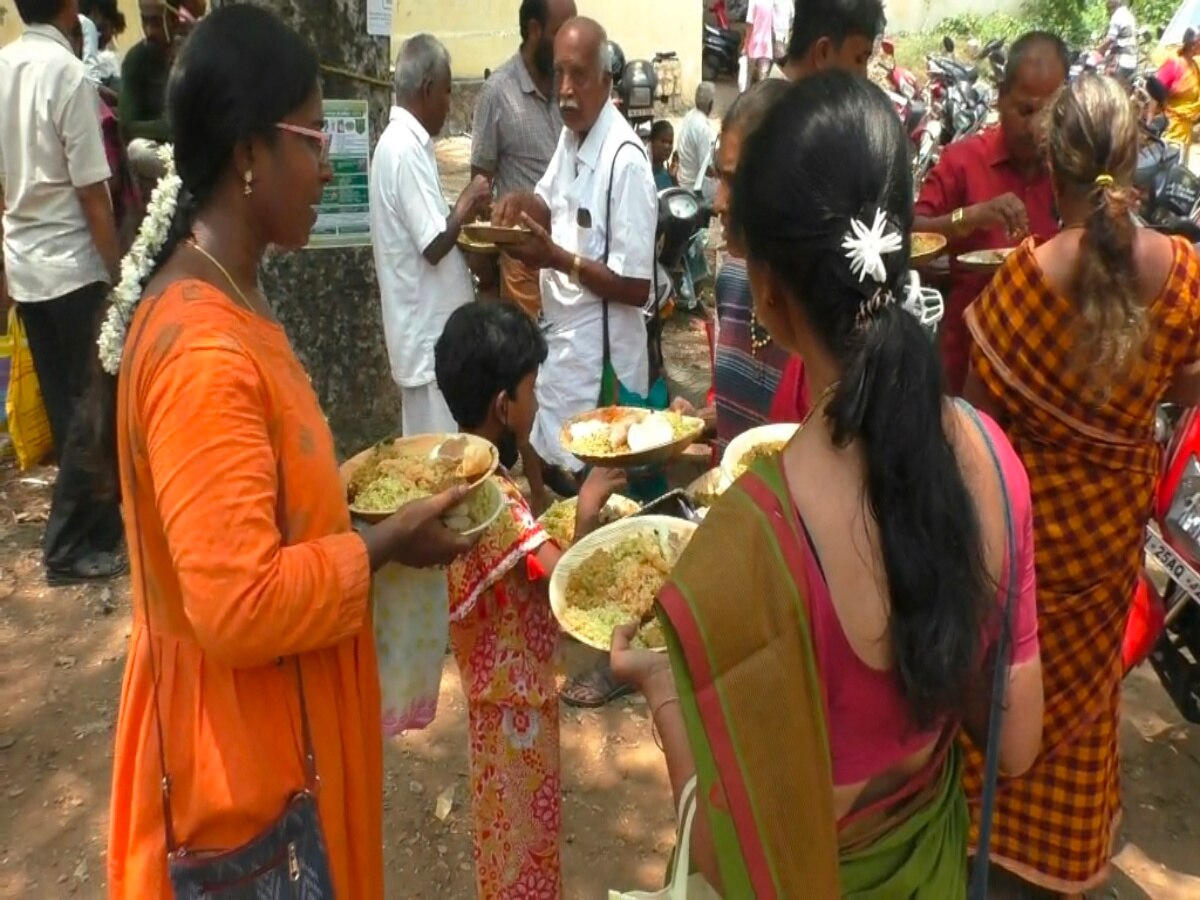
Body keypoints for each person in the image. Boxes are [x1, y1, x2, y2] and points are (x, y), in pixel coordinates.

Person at [611, 72, 1044, 896]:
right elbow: (1016, 745)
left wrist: (667, 693)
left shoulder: (751, 539)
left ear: (767, 292)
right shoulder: (992, 459)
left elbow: (724, 852)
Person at [90, 8, 475, 897]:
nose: (332, 162)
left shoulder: (233, 294)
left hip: (283, 732)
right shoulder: (201, 350)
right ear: (247, 153)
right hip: (241, 770)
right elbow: (236, 606)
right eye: (314, 135)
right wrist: (380, 544)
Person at [963, 73, 1200, 898]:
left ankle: (986, 834)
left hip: (1028, 547)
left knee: (1005, 685)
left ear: (1049, 169)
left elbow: (979, 439)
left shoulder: (1020, 283)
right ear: (1134, 162)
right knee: (1090, 706)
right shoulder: (1182, 274)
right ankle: (1063, 859)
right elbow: (1190, 388)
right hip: (1106, 548)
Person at [493, 17, 656, 709]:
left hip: (610, 364)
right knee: (564, 484)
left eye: (579, 76)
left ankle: (616, 658)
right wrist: (520, 211)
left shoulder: (626, 160)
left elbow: (638, 286)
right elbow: (552, 206)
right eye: (558, 74)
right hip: (566, 348)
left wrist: (554, 257)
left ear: (606, 81)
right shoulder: (571, 135)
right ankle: (575, 607)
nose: (565, 89)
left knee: (613, 506)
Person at [435, 301, 623, 898]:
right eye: (532, 389)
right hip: (516, 707)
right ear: (503, 405)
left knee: (504, 839)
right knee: (526, 849)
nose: (537, 402)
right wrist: (589, 506)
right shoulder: (495, 503)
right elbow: (560, 574)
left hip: (491, 703)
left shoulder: (461, 470)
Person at [1, 0, 127, 584]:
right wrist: (118, 269)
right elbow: (92, 194)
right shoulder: (68, 75)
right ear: (71, 7)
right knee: (91, 408)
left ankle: (100, 528)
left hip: (26, 263)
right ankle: (63, 547)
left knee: (68, 405)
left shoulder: (5, 67)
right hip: (72, 266)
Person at [913, 31, 1068, 395]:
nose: (1035, 128)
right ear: (1000, 98)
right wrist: (968, 218)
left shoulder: (1069, 171)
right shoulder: (963, 161)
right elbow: (911, 237)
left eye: (1048, 112)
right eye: (1026, 110)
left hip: (1045, 373)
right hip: (964, 366)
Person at [370, 34, 491, 437]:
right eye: (447, 92)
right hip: (428, 341)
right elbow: (434, 243)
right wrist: (468, 201)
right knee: (441, 460)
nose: (448, 102)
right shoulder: (403, 149)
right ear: (426, 90)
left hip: (431, 339)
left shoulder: (408, 146)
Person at [470, 0, 578, 317]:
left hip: (572, 252)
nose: (570, 43)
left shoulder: (571, 90)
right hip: (523, 264)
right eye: (561, 32)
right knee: (530, 357)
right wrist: (488, 275)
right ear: (534, 30)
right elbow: (480, 188)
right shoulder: (497, 93)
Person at [119, 0, 197, 183]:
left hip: (196, 146)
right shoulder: (135, 59)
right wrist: (167, 128)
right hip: (161, 151)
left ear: (174, 20)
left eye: (155, 22)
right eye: (144, 21)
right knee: (136, 150)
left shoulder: (193, 54)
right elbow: (128, 125)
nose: (149, 31)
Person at [778, 0, 883, 80]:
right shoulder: (790, 107)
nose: (864, 76)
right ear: (823, 52)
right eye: (858, 59)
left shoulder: (769, 96)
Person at [1155, 27, 1200, 149]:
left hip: (1185, 128)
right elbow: (1155, 92)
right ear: (1194, 44)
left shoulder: (1195, 66)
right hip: (1170, 127)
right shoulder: (1173, 64)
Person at [675, 81, 717, 194]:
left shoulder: (689, 116)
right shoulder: (703, 128)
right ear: (711, 104)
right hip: (693, 187)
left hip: (683, 180)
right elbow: (706, 168)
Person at [1101, 0, 1138, 84]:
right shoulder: (1128, 15)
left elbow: (1110, 39)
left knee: (1109, 88)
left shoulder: (1117, 15)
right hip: (1132, 62)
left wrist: (1098, 51)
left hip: (1122, 61)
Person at [742, 0, 774, 85]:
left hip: (754, 42)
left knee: (748, 75)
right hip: (766, 44)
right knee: (762, 78)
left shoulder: (753, 1)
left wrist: (745, 45)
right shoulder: (770, 2)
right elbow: (772, 24)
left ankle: (746, 95)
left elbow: (750, 24)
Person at [649, 120, 677, 190]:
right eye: (663, 141)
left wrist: (673, 178)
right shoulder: (645, 172)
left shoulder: (666, 174)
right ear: (652, 141)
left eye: (670, 143)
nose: (667, 147)